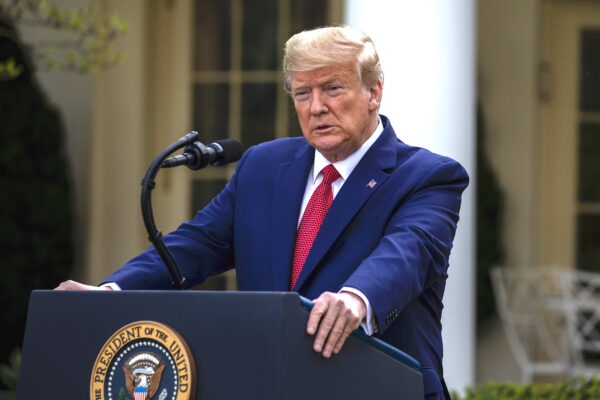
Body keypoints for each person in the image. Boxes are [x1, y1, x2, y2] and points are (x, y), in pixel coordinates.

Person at [56, 25, 469, 399]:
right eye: (302, 94)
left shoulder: (428, 176)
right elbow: (198, 243)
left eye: (332, 89)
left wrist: (356, 299)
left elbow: (407, 252)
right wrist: (109, 295)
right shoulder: (263, 166)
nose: (316, 107)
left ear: (374, 92)